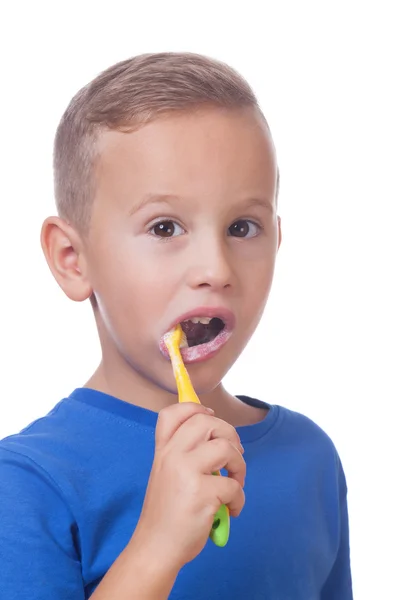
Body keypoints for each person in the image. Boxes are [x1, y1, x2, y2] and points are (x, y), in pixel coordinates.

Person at [0, 52, 352, 599]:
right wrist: (156, 549)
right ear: (73, 258)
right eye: (165, 227)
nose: (215, 269)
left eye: (242, 226)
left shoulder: (311, 460)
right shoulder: (27, 484)